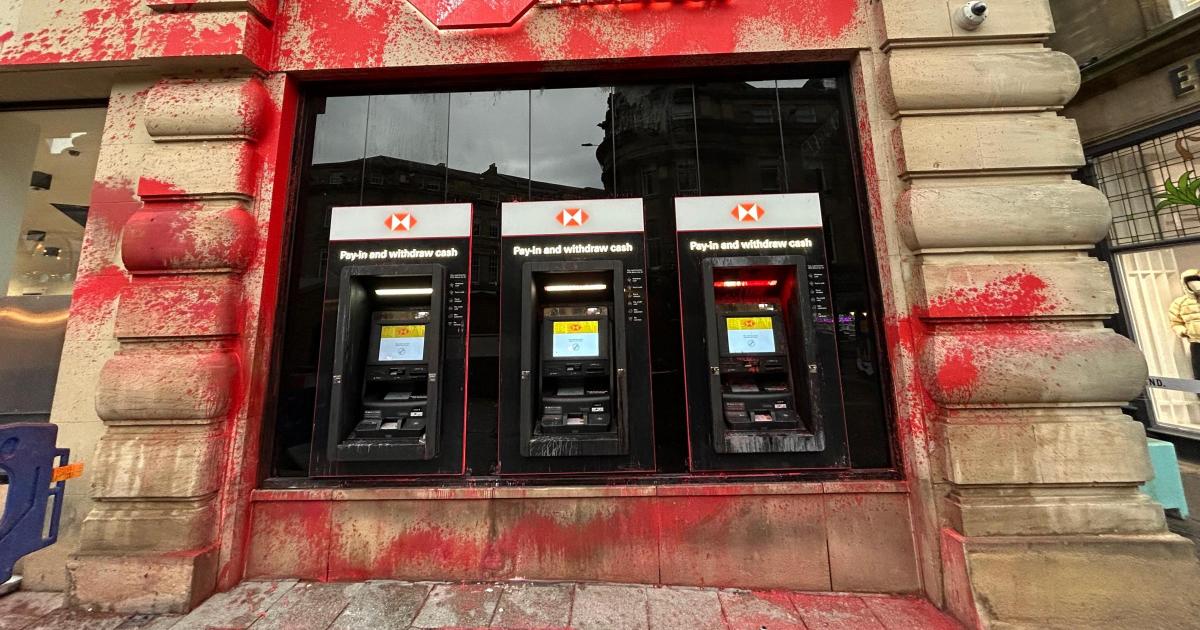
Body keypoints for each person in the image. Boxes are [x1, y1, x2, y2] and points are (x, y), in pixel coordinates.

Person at [1168, 268, 1200, 378]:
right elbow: (1175, 321)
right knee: (1199, 372)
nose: (1195, 284)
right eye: (1190, 281)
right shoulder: (1180, 303)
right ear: (1185, 283)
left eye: (1197, 280)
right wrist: (1183, 331)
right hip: (1196, 342)